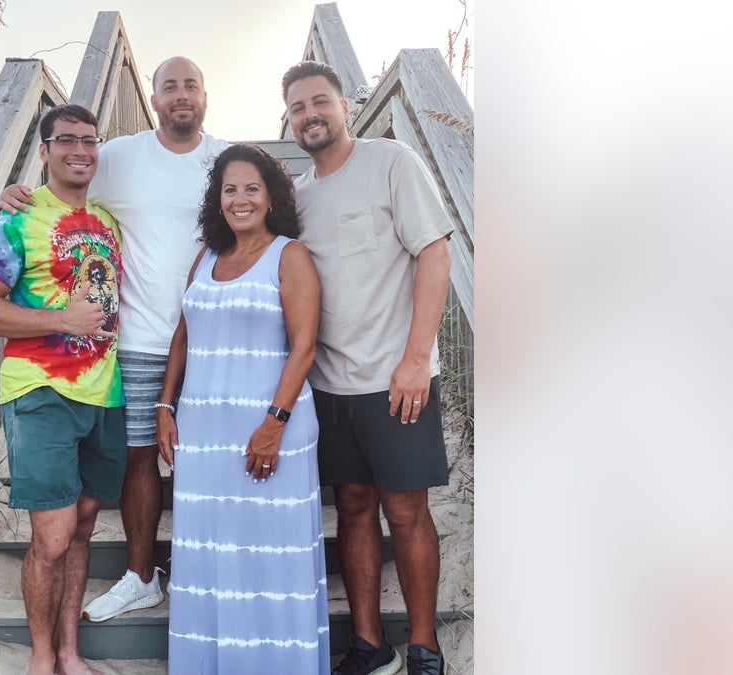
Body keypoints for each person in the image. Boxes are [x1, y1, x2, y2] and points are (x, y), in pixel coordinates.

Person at [0, 57, 229, 622]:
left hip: (219, 338)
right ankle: (142, 577)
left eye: (190, 85)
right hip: (143, 336)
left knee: (215, 459)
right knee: (138, 459)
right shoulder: (120, 155)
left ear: (205, 95)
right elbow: (64, 179)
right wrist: (15, 191)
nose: (180, 95)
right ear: (153, 98)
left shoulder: (229, 160)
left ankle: (214, 573)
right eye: (168, 85)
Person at [282, 60, 455, 675]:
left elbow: (435, 253)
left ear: (346, 104)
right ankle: (368, 643)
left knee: (406, 511)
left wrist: (416, 359)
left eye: (319, 102)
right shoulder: (297, 199)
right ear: (289, 119)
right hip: (330, 385)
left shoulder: (390, 162)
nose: (310, 115)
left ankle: (425, 647)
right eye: (298, 107)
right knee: (353, 506)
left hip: (396, 379)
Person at [155, 143, 328, 673]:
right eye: (230, 189)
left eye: (252, 188)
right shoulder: (205, 258)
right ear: (218, 199)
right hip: (205, 436)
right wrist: (166, 404)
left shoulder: (289, 255)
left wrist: (273, 425)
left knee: (269, 560)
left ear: (271, 196)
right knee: (210, 555)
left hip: (270, 429)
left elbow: (304, 347)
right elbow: (183, 333)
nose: (240, 199)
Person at [0, 104, 123, 675]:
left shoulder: (109, 221)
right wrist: (61, 321)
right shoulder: (16, 220)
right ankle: (40, 656)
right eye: (66, 140)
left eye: (89, 140)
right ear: (44, 150)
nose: (79, 150)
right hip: (39, 391)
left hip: (104, 393)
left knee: (82, 527)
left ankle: (68, 651)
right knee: (53, 537)